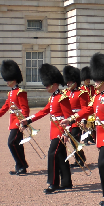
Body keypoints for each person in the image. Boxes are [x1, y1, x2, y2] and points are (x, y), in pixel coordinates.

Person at [63, 53, 104, 206]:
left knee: (103, 164)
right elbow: (88, 109)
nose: (95, 82)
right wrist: (72, 119)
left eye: (97, 79)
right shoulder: (98, 96)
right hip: (101, 134)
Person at [20, 64, 73, 194]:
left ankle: (53, 183)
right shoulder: (53, 97)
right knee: (60, 156)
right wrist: (29, 120)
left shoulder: (62, 97)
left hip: (60, 131)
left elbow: (69, 116)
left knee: (52, 154)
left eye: (48, 84)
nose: (46, 87)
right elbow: (43, 111)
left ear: (55, 84)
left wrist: (67, 132)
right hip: (54, 130)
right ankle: (66, 182)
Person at [0, 60, 29, 175]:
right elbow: (4, 108)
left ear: (14, 79)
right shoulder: (10, 93)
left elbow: (25, 109)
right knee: (17, 144)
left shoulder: (20, 92)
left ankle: (21, 164)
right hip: (13, 122)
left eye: (8, 80)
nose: (7, 82)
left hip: (18, 122)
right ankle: (20, 166)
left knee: (12, 143)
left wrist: (23, 122)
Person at [63, 65, 89, 167]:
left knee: (75, 140)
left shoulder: (81, 93)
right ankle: (80, 157)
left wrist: (84, 120)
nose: (68, 84)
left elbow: (84, 108)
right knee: (70, 140)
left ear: (75, 82)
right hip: (68, 120)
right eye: (67, 82)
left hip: (77, 120)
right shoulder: (66, 93)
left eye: (70, 82)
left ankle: (80, 159)